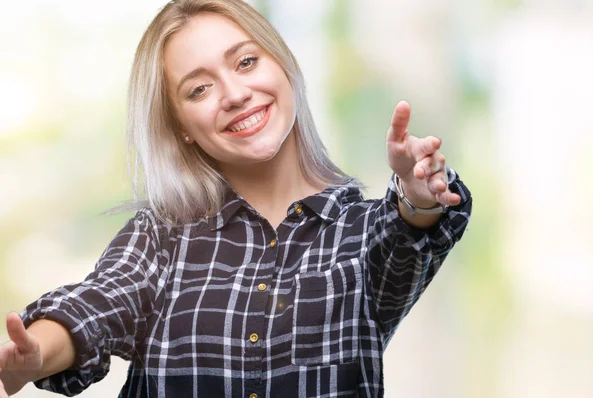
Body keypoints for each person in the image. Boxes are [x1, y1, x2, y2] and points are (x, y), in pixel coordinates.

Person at [0, 0, 472, 397]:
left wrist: (417, 195)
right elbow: (97, 305)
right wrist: (33, 353)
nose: (234, 94)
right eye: (199, 89)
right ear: (181, 127)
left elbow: (409, 234)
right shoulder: (162, 237)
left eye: (246, 62)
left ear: (283, 65)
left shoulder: (361, 235)